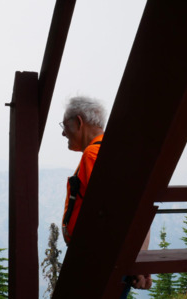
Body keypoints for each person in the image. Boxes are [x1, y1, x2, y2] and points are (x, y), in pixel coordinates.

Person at [60, 96, 152, 297]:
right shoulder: (120, 152)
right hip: (117, 260)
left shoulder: (93, 155)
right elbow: (139, 210)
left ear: (78, 122)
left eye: (65, 125)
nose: (63, 132)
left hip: (97, 261)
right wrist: (139, 259)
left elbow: (120, 211)